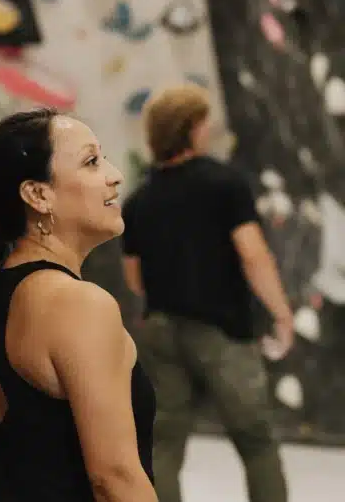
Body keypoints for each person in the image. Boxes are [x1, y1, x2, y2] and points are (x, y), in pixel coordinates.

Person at [0, 108, 157, 502]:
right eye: (91, 162)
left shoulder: (2, 292)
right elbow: (114, 478)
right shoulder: (76, 303)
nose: (114, 174)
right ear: (38, 195)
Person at [120, 84, 292, 502]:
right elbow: (253, 256)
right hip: (222, 332)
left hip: (162, 332)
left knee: (163, 446)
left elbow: (134, 279)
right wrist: (282, 315)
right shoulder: (225, 183)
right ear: (193, 128)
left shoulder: (139, 199)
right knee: (256, 441)